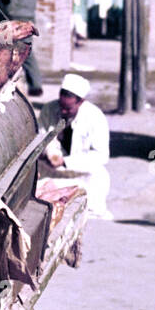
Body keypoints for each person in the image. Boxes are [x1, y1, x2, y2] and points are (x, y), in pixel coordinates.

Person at [38, 73, 112, 219]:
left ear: (80, 102)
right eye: (61, 107)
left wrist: (67, 162)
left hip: (81, 174)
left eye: (68, 109)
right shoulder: (49, 109)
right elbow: (42, 137)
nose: (63, 112)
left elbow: (101, 156)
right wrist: (51, 153)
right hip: (51, 171)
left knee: (99, 179)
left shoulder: (95, 117)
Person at [4, 0, 44, 96]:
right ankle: (35, 84)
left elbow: (10, 0)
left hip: (16, 20)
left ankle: (34, 84)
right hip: (29, 19)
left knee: (15, 53)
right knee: (27, 51)